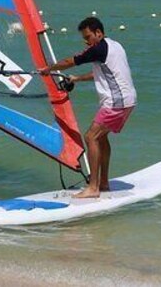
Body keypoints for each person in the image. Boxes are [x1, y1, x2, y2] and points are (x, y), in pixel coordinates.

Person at [39, 17, 136, 198]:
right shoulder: (115, 46)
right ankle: (103, 183)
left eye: (88, 37)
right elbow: (100, 73)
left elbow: (70, 61)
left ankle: (93, 188)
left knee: (91, 137)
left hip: (117, 101)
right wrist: (77, 79)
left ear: (98, 33)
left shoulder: (98, 49)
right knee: (101, 138)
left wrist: (48, 69)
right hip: (126, 100)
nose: (86, 41)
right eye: (84, 38)